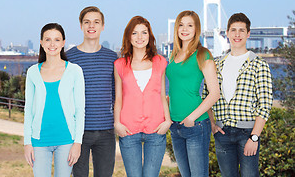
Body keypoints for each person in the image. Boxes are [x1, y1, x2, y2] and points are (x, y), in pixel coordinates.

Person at [204, 13, 273, 177]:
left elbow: (265, 105)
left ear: (248, 34)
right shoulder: (217, 64)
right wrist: (213, 124)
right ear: (227, 33)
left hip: (247, 134)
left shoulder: (259, 65)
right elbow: (207, 97)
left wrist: (254, 137)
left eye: (241, 30)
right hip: (222, 134)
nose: (237, 34)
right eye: (233, 30)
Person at [24, 23, 85, 177]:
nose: (52, 44)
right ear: (41, 43)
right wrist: (27, 143)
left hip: (66, 140)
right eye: (48, 39)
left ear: (63, 43)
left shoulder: (75, 71)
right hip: (39, 141)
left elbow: (80, 109)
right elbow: (28, 110)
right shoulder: (32, 72)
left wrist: (77, 143)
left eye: (57, 40)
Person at [114, 16, 171, 177]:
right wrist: (117, 123)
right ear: (128, 37)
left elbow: (162, 94)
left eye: (144, 33)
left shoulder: (161, 61)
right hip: (128, 129)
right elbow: (119, 98)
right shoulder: (119, 64)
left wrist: (167, 121)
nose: (139, 37)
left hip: (156, 128)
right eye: (135, 33)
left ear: (149, 36)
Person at [166, 10, 220, 177]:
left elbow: (214, 93)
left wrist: (191, 118)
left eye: (190, 25)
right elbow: (174, 90)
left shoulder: (203, 54)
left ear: (197, 29)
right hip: (175, 126)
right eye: (181, 25)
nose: (185, 29)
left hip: (196, 125)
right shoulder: (172, 55)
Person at [66, 6, 117, 177]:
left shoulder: (112, 57)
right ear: (81, 26)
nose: (91, 26)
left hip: (106, 131)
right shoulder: (69, 58)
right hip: (77, 133)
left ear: (103, 26)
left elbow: (116, 93)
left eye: (96, 22)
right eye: (87, 22)